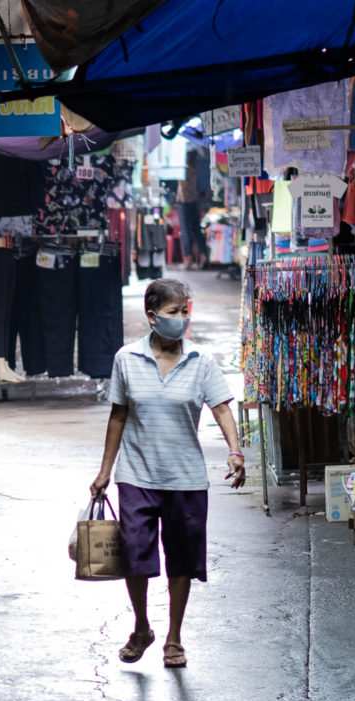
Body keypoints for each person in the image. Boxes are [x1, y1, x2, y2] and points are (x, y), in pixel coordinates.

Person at [90, 278, 246, 668]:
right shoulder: (126, 358)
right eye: (174, 312)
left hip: (186, 479)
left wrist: (235, 450)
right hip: (136, 476)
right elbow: (118, 415)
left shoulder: (201, 362)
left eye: (185, 312)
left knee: (182, 560)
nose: (182, 319)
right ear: (152, 316)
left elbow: (222, 408)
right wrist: (105, 471)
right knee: (135, 557)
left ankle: (174, 638)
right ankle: (142, 627)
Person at [176, 149, 209, 270]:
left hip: (184, 200)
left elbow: (182, 186)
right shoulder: (196, 166)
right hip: (194, 200)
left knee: (185, 230)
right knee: (195, 229)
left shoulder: (183, 167)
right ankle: (203, 256)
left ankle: (189, 260)